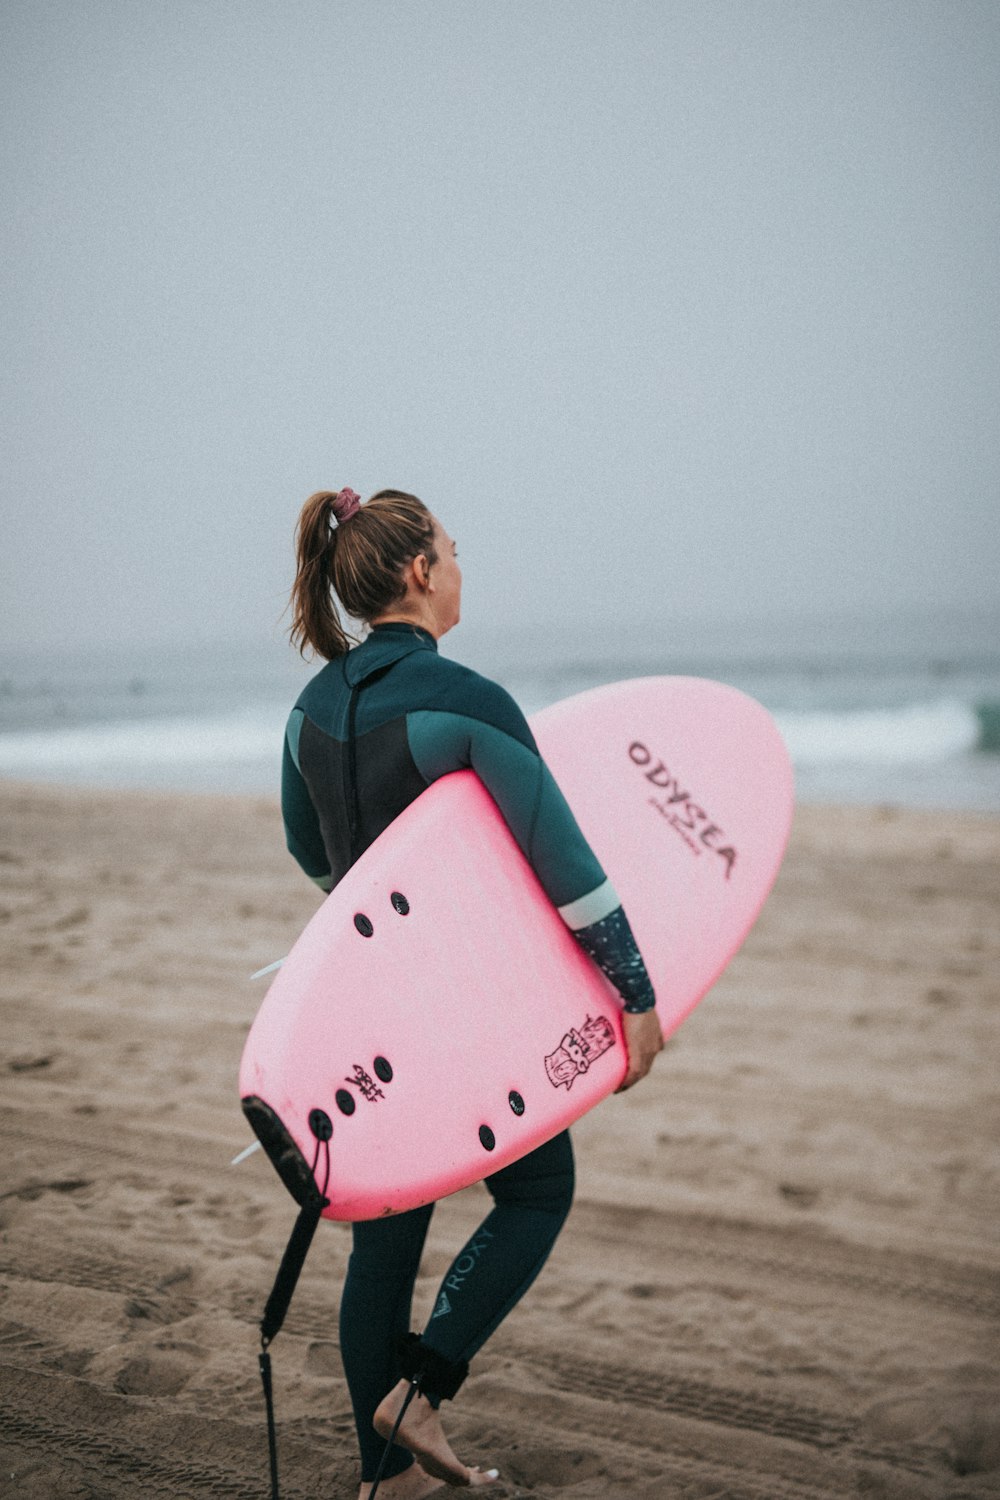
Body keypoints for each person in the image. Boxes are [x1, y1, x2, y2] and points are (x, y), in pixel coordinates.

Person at [283, 487, 664, 1498]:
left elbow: (304, 846)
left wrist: (372, 912)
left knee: (389, 1231)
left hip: (366, 1010)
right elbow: (567, 866)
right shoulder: (468, 702)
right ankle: (421, 1389)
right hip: (461, 1012)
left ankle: (382, 1478)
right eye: (453, 550)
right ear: (419, 573)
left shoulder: (310, 710)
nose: (460, 565)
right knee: (538, 1191)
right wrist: (634, 996)